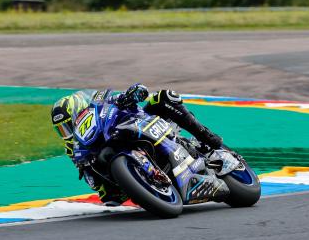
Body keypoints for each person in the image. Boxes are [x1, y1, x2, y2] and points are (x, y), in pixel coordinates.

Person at [51, 84, 224, 206]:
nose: (67, 131)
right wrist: (91, 172)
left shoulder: (98, 103)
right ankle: (150, 182)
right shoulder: (74, 149)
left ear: (79, 110)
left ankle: (208, 139)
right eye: (62, 129)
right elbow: (93, 182)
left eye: (68, 124)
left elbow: (122, 97)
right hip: (120, 159)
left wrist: (130, 94)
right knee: (107, 195)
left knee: (164, 97)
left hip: (139, 123)